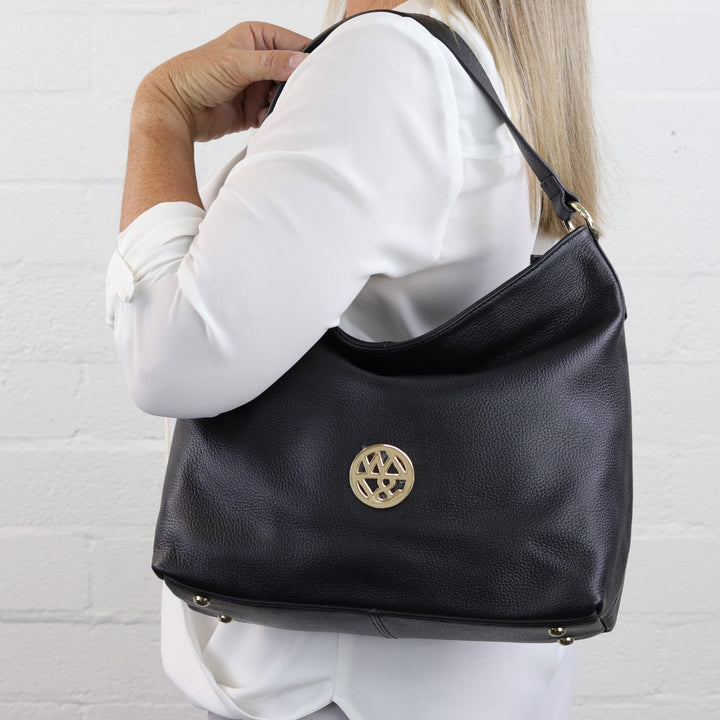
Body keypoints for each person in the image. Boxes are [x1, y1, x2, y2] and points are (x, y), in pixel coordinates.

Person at [105, 0, 599, 717]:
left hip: (324, 683)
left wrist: (161, 113)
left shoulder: (389, 62)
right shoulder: (486, 54)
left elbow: (168, 357)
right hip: (463, 675)